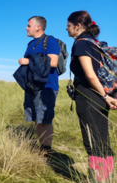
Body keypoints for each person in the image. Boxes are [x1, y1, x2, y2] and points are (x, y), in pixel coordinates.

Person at [67, 10, 117, 182]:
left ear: (78, 26)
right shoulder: (94, 42)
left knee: (93, 141)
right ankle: (107, 178)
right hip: (100, 97)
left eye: (68, 26)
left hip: (90, 97)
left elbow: (90, 75)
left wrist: (104, 96)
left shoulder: (81, 43)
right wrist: (106, 96)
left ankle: (97, 180)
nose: (67, 29)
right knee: (103, 139)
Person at [19, 16, 60, 153]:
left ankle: (47, 150)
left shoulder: (50, 40)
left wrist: (28, 62)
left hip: (46, 86)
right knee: (36, 117)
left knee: (45, 119)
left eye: (29, 25)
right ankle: (42, 147)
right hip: (32, 86)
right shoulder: (31, 43)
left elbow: (53, 62)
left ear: (38, 27)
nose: (26, 28)